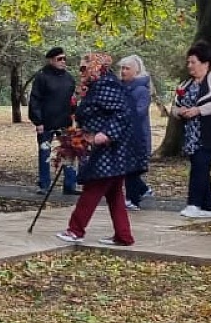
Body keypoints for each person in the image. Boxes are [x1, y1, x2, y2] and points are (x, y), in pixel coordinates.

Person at [54, 53, 146, 246]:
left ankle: (75, 230)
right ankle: (123, 236)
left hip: (110, 149)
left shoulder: (107, 84)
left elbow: (123, 112)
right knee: (114, 193)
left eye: (84, 68)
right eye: (80, 68)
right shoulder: (95, 86)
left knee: (93, 187)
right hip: (106, 148)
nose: (81, 72)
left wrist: (106, 134)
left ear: (97, 67)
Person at [175, 40, 211, 218]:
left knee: (199, 166)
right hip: (191, 135)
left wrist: (199, 110)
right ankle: (208, 208)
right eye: (188, 62)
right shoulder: (185, 85)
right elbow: (174, 108)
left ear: (205, 63)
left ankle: (194, 204)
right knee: (201, 167)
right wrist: (180, 112)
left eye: (193, 62)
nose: (189, 65)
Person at [30, 46, 79, 195]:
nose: (63, 62)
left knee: (69, 153)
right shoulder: (42, 77)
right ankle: (44, 185)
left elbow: (72, 100)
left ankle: (70, 185)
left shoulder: (69, 78)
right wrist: (38, 122)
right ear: (51, 60)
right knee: (45, 153)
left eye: (64, 59)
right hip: (46, 123)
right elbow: (35, 100)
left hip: (65, 123)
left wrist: (74, 117)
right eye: (59, 59)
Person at [118, 54, 155, 210]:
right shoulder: (122, 87)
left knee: (131, 168)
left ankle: (133, 199)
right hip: (123, 134)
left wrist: (121, 114)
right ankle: (142, 190)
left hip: (136, 135)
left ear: (136, 71)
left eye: (127, 68)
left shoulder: (141, 90)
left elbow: (139, 113)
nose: (123, 71)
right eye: (122, 68)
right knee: (126, 167)